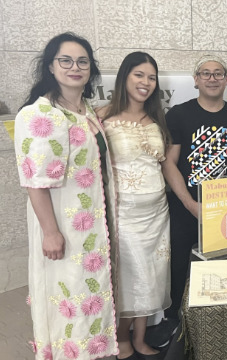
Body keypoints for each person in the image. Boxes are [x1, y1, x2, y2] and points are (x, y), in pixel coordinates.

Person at [14, 32, 118, 359]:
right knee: (69, 298)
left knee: (90, 295)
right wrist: (50, 232)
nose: (75, 67)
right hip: (64, 227)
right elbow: (35, 181)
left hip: (92, 229)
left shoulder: (85, 111)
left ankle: (93, 351)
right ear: (51, 66)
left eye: (82, 61)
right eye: (66, 60)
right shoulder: (40, 114)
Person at [162, 54, 227, 320]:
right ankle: (178, 328)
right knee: (180, 271)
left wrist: (225, 209)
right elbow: (169, 163)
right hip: (184, 209)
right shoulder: (179, 115)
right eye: (206, 73)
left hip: (225, 214)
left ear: (226, 80)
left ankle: (219, 327)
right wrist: (191, 204)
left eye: (218, 74)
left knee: (223, 275)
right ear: (196, 80)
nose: (212, 78)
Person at [98, 52, 171, 360]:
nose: (145, 82)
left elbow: (165, 165)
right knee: (129, 277)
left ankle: (140, 339)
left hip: (157, 213)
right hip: (124, 215)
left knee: (151, 277)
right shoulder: (102, 117)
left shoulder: (157, 121)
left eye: (151, 77)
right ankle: (121, 339)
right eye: (139, 75)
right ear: (124, 78)